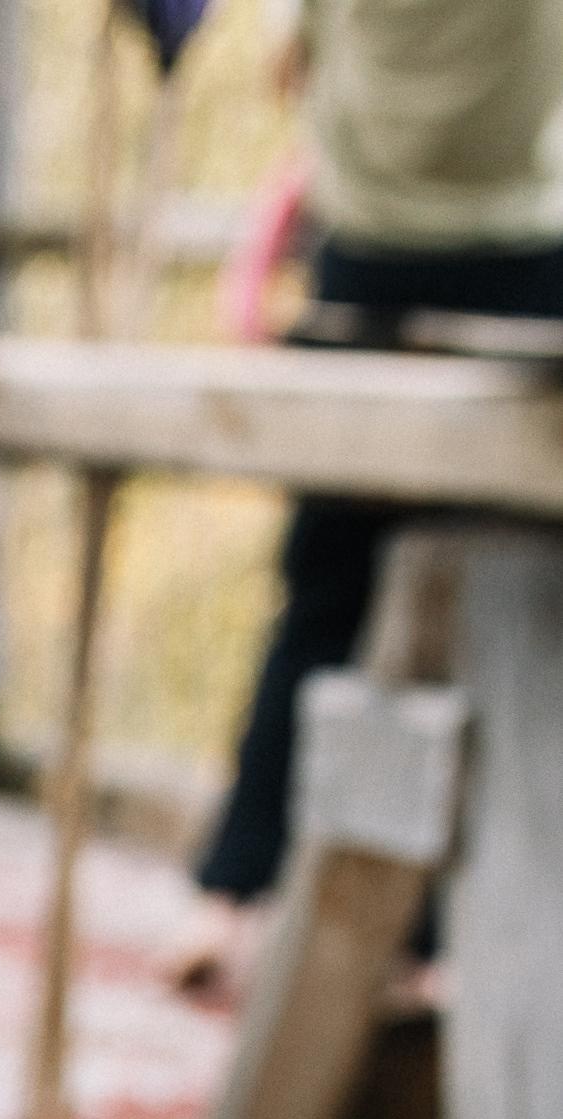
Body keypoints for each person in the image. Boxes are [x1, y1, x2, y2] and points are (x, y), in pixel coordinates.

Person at [173, 0, 563, 994]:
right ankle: (434, 939)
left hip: (365, 266)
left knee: (323, 601)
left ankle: (231, 898)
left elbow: (286, 69)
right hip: (524, 269)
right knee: (515, 614)